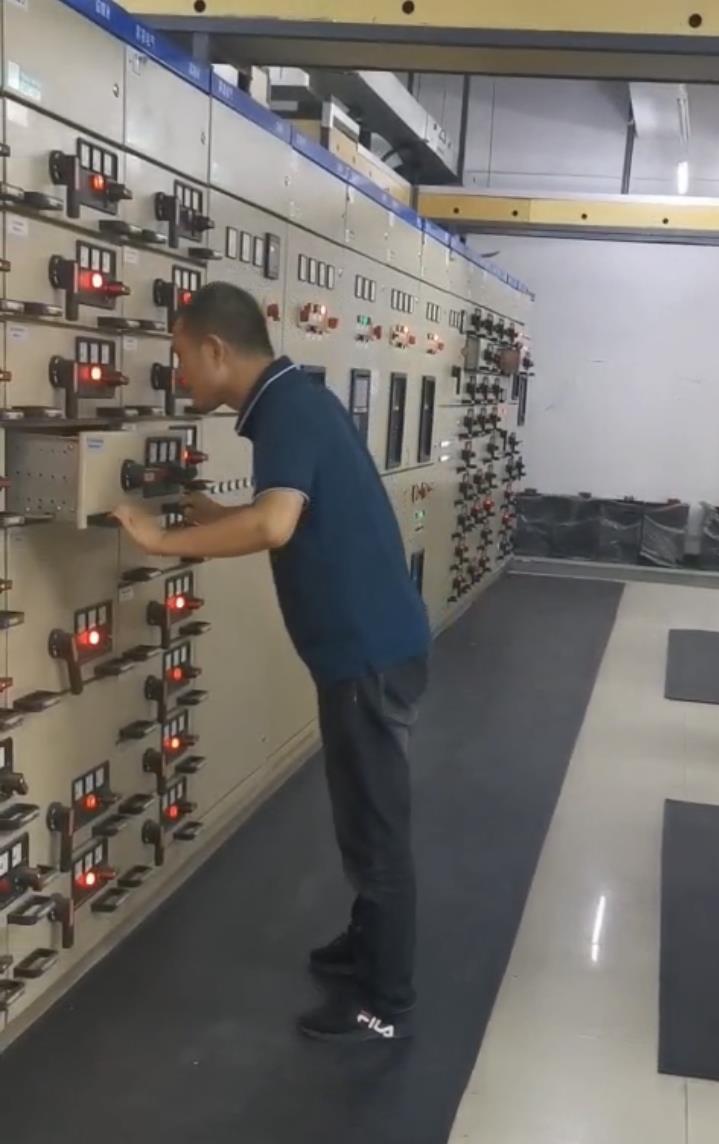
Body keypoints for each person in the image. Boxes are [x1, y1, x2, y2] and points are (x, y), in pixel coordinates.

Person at [113, 282, 430, 1044]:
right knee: (360, 816)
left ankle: (384, 1003)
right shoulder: (297, 401)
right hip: (371, 647)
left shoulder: (286, 411)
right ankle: (367, 944)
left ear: (217, 350)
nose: (180, 374)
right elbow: (296, 513)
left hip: (365, 654)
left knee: (374, 828)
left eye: (183, 357)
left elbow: (276, 524)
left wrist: (160, 540)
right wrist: (223, 516)